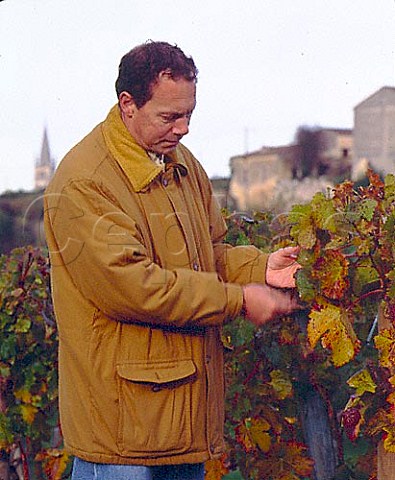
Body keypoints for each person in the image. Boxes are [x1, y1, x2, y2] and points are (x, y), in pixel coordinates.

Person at [43, 41, 301, 480]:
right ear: (128, 104)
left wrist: (260, 268)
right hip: (123, 434)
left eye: (189, 115)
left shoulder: (182, 165)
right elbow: (133, 287)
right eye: (169, 117)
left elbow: (209, 253)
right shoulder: (84, 181)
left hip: (180, 421)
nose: (183, 129)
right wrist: (239, 299)